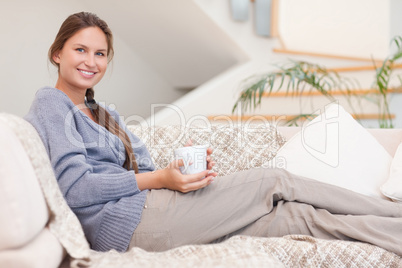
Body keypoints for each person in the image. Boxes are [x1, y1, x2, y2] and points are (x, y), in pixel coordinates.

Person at [25, 12, 402, 256]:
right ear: (57, 53)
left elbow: (149, 170)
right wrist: (159, 179)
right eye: (80, 50)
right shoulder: (51, 103)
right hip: (124, 227)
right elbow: (75, 189)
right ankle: (393, 211)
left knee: (295, 218)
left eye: (101, 53)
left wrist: (178, 171)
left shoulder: (105, 113)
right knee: (274, 181)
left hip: (154, 211)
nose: (91, 62)